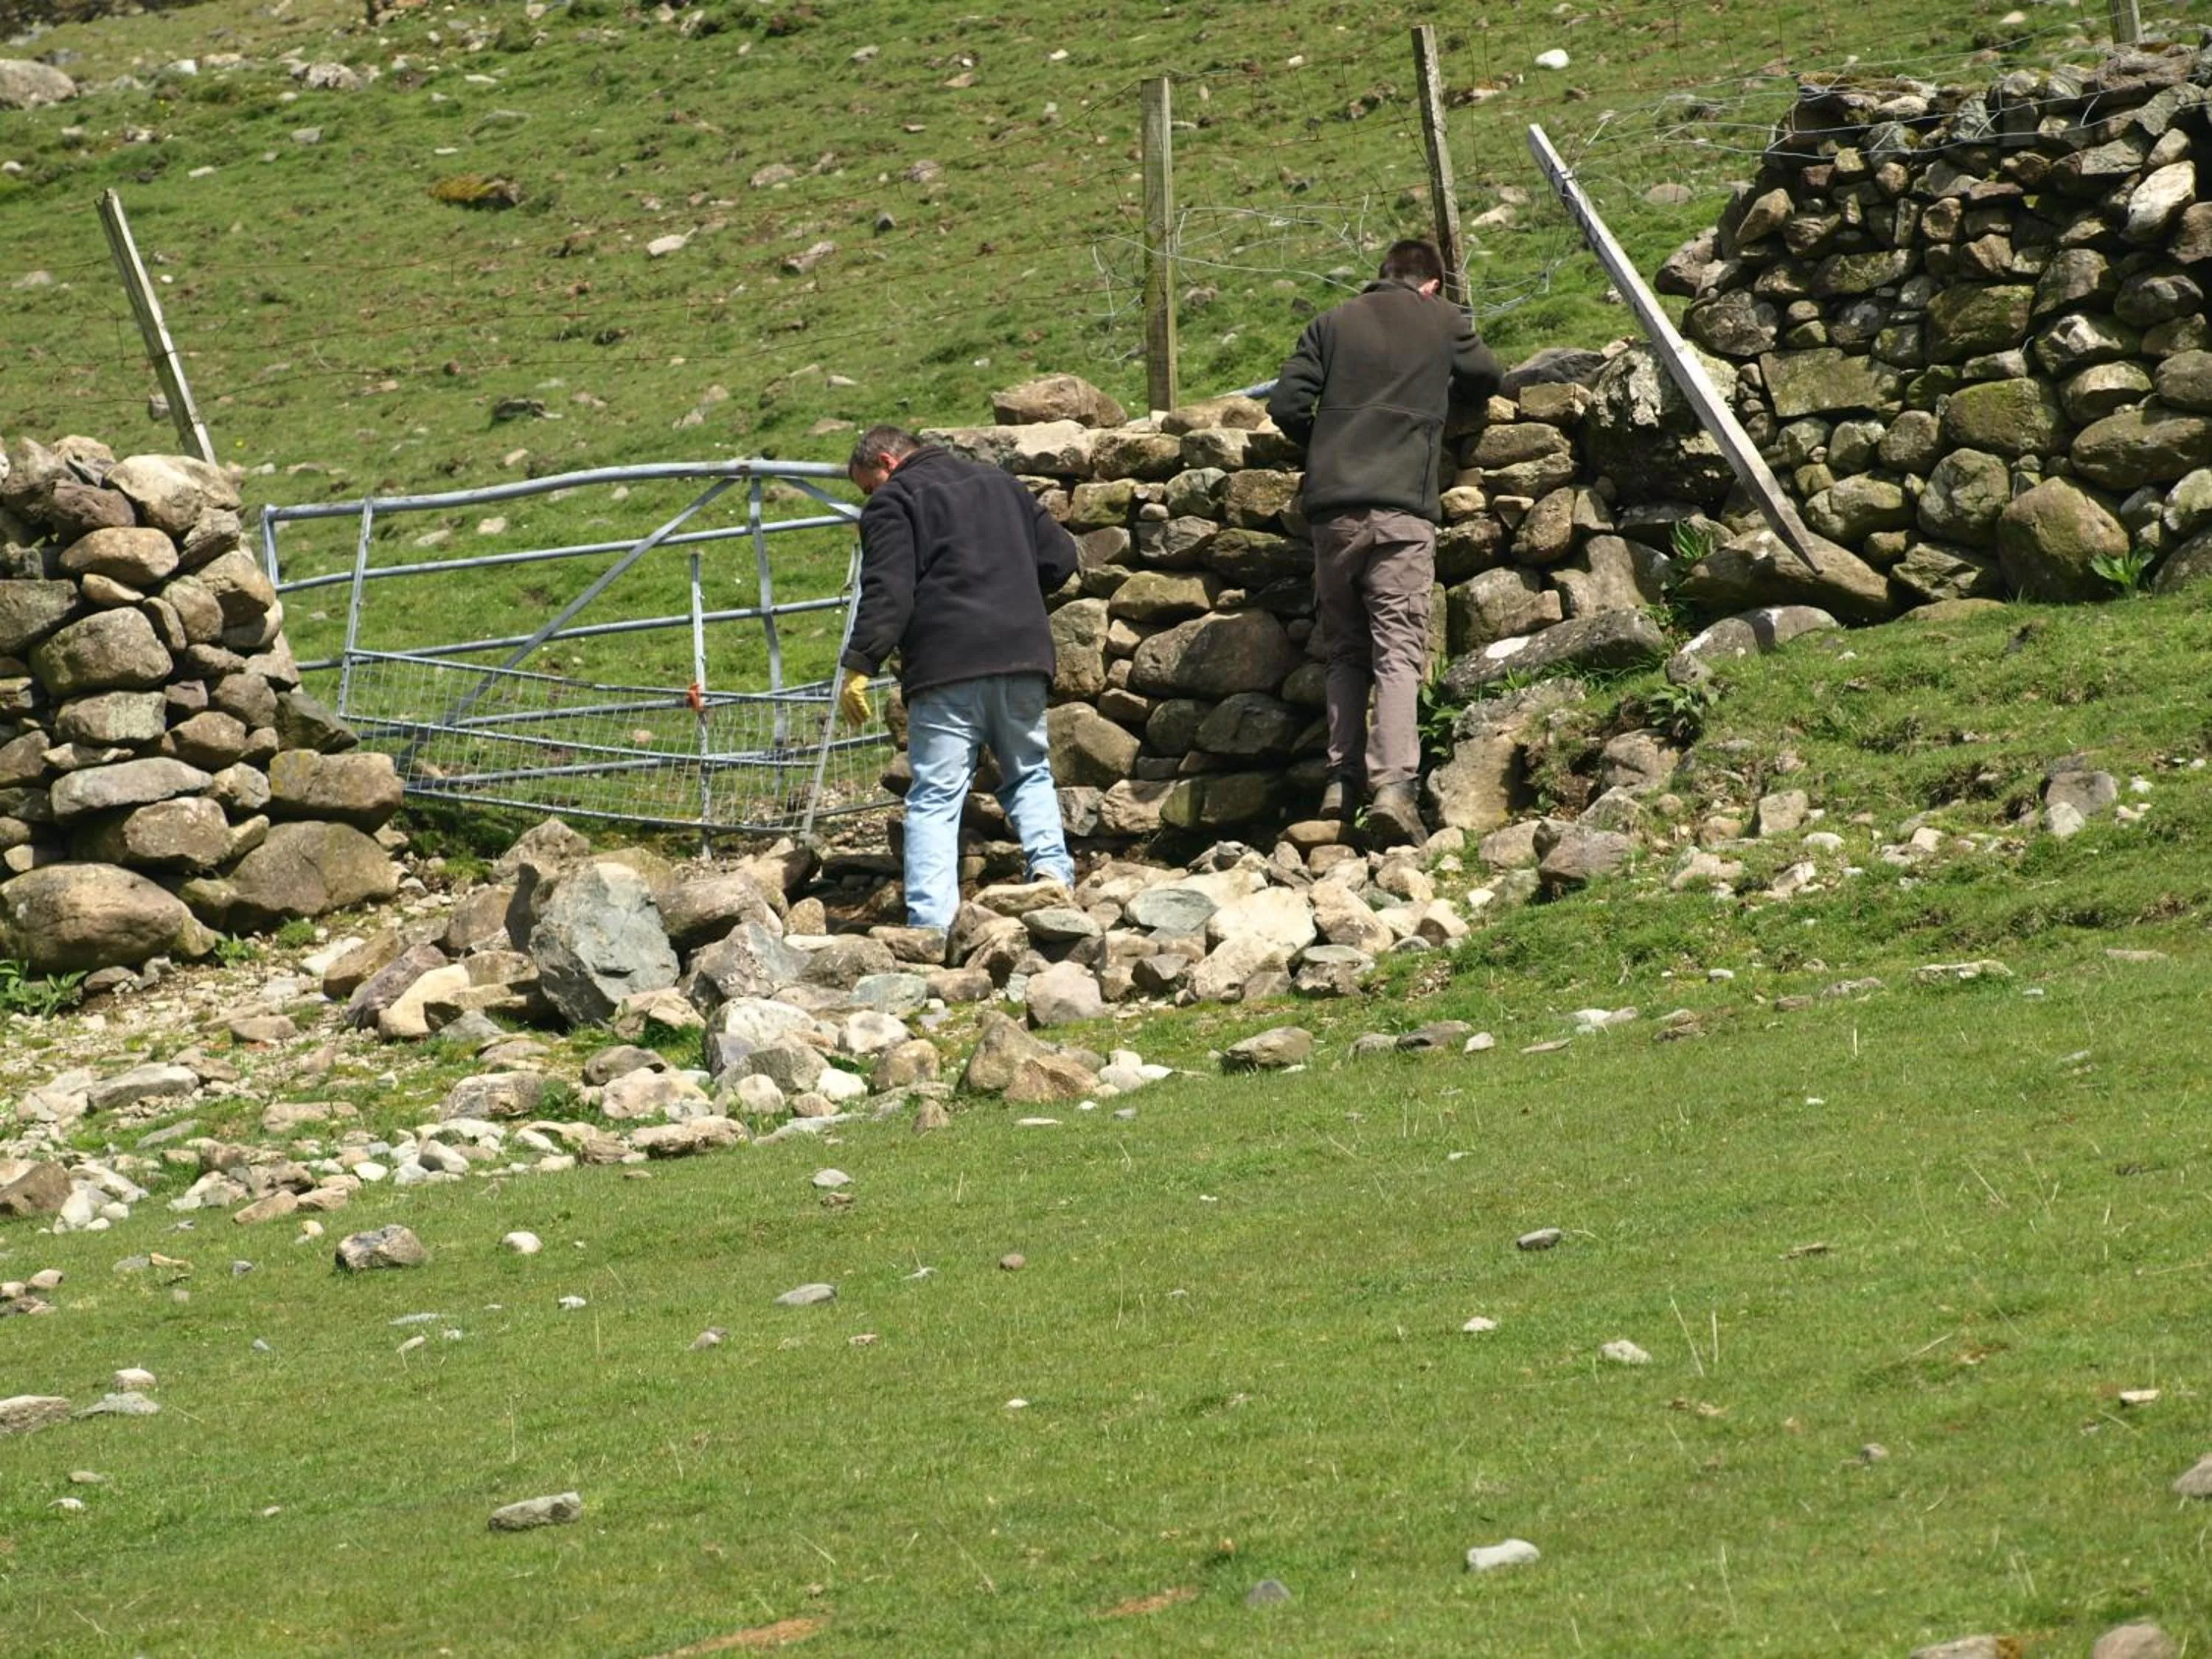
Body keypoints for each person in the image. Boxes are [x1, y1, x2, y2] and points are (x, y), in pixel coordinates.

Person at [1267, 237, 1502, 848]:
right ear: (1432, 284)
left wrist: (1331, 444)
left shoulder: (1330, 323)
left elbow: (1287, 403)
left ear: (1382, 276)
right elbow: (1486, 377)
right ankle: (1395, 788)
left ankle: (1339, 785)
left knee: (1345, 650)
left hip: (1332, 512)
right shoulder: (1443, 319)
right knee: (1398, 648)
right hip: (1401, 509)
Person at [838, 425, 1080, 933]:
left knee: (935, 795)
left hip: (947, 666)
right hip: (1021, 656)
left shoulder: (894, 503)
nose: (869, 498)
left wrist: (860, 665)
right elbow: (1060, 559)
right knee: (1029, 770)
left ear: (885, 460)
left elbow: (889, 590)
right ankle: (1053, 875)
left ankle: (932, 924)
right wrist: (1012, 594)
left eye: (867, 486)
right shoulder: (1001, 483)